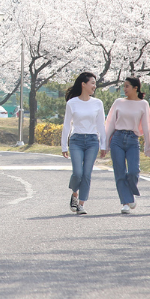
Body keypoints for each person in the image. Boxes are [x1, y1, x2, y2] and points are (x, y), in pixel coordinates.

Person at [103, 77, 150, 214]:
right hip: (117, 139)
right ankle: (126, 202)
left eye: (127, 86)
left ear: (136, 88)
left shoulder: (143, 104)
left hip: (132, 140)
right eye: (123, 86)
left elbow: (147, 125)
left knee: (133, 171)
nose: (124, 89)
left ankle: (130, 193)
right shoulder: (118, 102)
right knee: (119, 172)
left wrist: (148, 145)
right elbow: (110, 122)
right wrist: (105, 143)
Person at [61, 72, 106, 215]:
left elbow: (101, 125)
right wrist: (64, 145)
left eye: (95, 83)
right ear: (83, 84)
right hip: (76, 140)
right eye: (92, 83)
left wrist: (103, 145)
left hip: (92, 141)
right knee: (77, 173)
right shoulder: (72, 103)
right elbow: (67, 125)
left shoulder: (97, 103)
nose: (94, 86)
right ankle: (75, 194)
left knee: (87, 174)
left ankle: (81, 204)